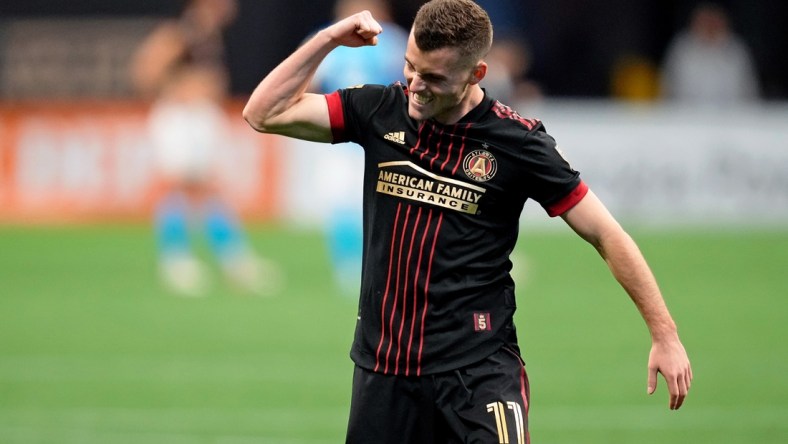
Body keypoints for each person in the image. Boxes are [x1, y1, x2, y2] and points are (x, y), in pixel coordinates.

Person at [243, 0, 693, 441]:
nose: (416, 85)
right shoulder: (381, 111)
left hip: (478, 373)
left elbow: (605, 232)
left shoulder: (518, 143)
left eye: (434, 77)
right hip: (384, 371)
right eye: (410, 67)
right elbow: (263, 113)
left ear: (477, 73)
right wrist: (328, 40)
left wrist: (665, 334)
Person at [131, 0, 278, 297]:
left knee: (208, 187)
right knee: (179, 185)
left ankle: (230, 259)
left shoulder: (208, 35)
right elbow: (145, 69)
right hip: (181, 117)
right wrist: (177, 91)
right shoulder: (184, 31)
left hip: (200, 116)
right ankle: (178, 260)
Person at [310, 0, 410, 297]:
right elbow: (307, 80)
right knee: (340, 200)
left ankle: (390, 264)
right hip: (339, 134)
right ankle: (349, 266)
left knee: (390, 199)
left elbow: (408, 80)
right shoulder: (327, 38)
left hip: (381, 134)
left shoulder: (391, 39)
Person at [660, 2, 759, 104]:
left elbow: (749, 92)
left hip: (731, 116)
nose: (710, 25)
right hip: (687, 116)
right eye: (705, 20)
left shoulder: (736, 50)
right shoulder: (681, 49)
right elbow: (668, 90)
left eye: (714, 20)